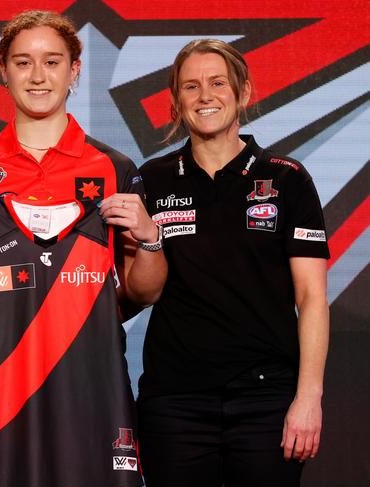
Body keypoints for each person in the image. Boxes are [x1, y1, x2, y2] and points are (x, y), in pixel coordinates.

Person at [0, 10, 167, 487]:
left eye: (52, 62)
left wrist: (149, 237)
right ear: (2, 68)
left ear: (74, 69)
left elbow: (143, 292)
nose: (38, 76)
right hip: (1, 401)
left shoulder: (115, 168)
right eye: (23, 62)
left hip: (93, 401)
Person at [137, 39, 330, 487]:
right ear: (176, 103)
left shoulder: (287, 178)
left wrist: (308, 398)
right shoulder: (150, 180)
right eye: (190, 86)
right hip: (175, 400)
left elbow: (313, 299)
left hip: (267, 398)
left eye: (218, 83)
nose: (205, 96)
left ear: (243, 93)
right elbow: (134, 292)